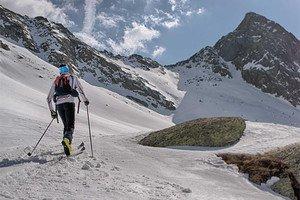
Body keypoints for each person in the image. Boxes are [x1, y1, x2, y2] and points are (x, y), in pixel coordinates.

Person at [47, 64, 89, 156]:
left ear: (60, 71)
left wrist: (52, 111)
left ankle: (67, 145)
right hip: (69, 103)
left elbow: (49, 98)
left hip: (59, 105)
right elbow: (80, 90)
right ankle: (67, 141)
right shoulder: (73, 78)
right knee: (70, 126)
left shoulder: (57, 80)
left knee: (66, 125)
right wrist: (85, 100)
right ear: (68, 70)